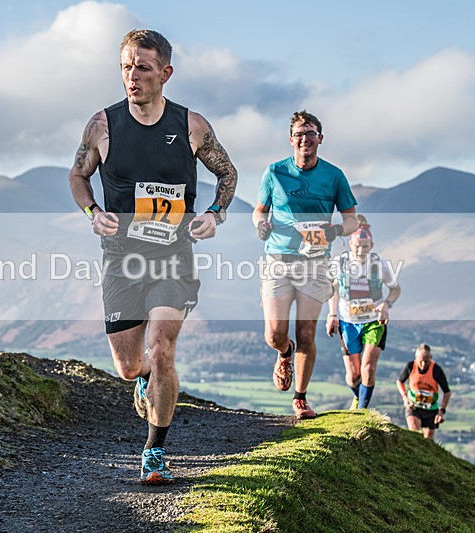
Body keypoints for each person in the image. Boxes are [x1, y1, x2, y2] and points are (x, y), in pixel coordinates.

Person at [68, 29, 237, 485]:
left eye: (142, 67)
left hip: (173, 256)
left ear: (165, 73)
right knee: (128, 366)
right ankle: (141, 377)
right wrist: (92, 211)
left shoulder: (190, 126)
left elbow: (228, 173)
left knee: (162, 347)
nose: (132, 76)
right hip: (121, 259)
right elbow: (78, 175)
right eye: (126, 67)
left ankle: (155, 450)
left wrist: (215, 214)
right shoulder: (103, 125)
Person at [252, 110, 358, 419]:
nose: (305, 139)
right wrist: (261, 225)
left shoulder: (334, 176)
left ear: (320, 139)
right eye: (299, 134)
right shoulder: (274, 172)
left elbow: (352, 220)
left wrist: (335, 230)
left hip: (315, 262)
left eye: (310, 133)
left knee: (307, 333)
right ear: (291, 140)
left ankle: (300, 397)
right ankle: (284, 352)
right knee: (274, 333)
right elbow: (260, 211)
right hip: (279, 260)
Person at [326, 215, 401, 410]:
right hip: (347, 321)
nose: (361, 250)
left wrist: (386, 305)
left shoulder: (380, 264)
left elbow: (395, 289)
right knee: (353, 375)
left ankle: (362, 411)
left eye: (365, 246)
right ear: (350, 242)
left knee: (368, 367)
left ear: (372, 245)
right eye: (357, 245)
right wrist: (332, 314)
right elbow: (332, 289)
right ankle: (358, 397)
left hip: (374, 321)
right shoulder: (339, 262)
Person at [396, 344, 451, 439]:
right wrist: (405, 397)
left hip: (431, 409)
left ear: (431, 358)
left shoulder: (436, 370)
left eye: (426, 361)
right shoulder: (410, 366)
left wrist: (441, 411)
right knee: (414, 435)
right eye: (421, 361)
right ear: (416, 357)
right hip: (414, 406)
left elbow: (447, 392)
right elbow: (399, 381)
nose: (423, 365)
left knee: (428, 441)